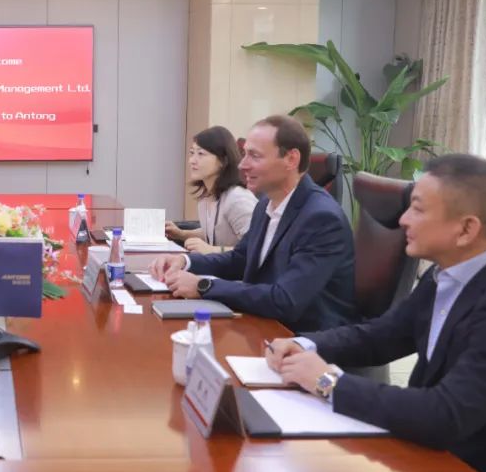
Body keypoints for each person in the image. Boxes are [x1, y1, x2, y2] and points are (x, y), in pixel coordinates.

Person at [266, 154, 486, 472]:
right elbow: (381, 336)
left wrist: (327, 382)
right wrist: (305, 345)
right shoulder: (446, 271)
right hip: (429, 464)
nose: (403, 220)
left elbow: (445, 414)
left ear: (466, 229)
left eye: (418, 209)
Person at [150, 115, 356, 335]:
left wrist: (203, 286)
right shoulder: (266, 204)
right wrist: (186, 261)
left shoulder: (321, 219)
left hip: (303, 339)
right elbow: (240, 259)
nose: (242, 165)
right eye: (245, 154)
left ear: (291, 159)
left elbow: (285, 300)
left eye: (254, 156)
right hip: (262, 325)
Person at [165, 126, 257, 254]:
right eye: (192, 153)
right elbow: (214, 233)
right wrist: (181, 234)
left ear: (223, 160)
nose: (192, 161)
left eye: (201, 154)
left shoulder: (237, 199)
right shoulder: (206, 198)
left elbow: (256, 248)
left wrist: (212, 250)